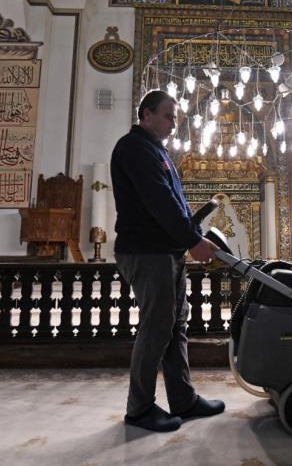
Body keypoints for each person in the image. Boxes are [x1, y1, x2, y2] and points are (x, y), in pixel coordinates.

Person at [111, 89, 225, 432]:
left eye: (175, 118)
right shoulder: (134, 148)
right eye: (168, 117)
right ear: (146, 115)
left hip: (165, 251)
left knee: (175, 326)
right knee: (158, 326)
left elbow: (176, 203)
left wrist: (192, 233)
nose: (174, 124)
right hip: (146, 252)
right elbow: (160, 202)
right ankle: (139, 409)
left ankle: (183, 399)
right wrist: (192, 240)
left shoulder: (156, 150)